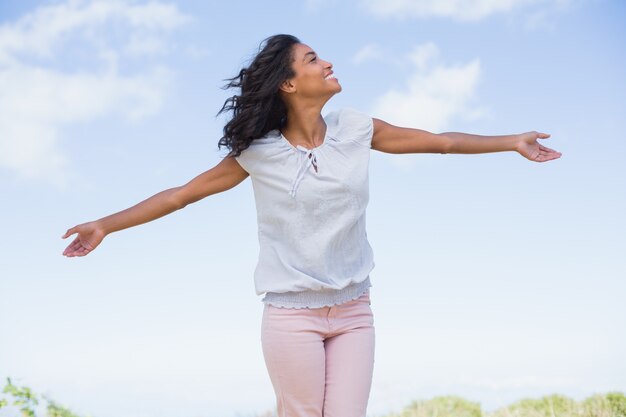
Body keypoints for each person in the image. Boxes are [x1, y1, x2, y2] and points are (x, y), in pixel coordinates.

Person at [62, 34, 562, 417]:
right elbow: (180, 196)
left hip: (353, 310)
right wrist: (105, 224)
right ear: (288, 83)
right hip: (291, 316)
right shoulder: (258, 155)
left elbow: (442, 142)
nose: (327, 63)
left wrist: (510, 140)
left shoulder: (356, 128)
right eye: (312, 60)